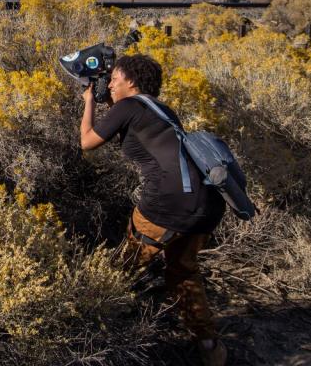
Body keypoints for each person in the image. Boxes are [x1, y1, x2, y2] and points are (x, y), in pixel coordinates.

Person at [79, 53, 228, 366]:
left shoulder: (128, 106)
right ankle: (210, 346)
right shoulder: (161, 110)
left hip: (166, 204)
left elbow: (88, 143)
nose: (111, 87)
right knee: (183, 273)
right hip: (207, 203)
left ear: (131, 82)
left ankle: (91, 333)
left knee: (122, 267)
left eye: (115, 81)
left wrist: (89, 100)